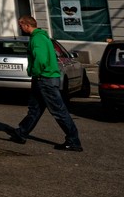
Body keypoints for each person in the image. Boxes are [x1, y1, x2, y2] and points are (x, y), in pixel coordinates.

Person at [8, 16, 84, 152]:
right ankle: (21, 132)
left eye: (21, 26)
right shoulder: (43, 37)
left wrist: (34, 72)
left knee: (58, 110)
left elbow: (41, 60)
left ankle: (73, 140)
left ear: (26, 25)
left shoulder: (37, 38)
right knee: (35, 108)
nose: (20, 28)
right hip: (45, 78)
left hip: (44, 78)